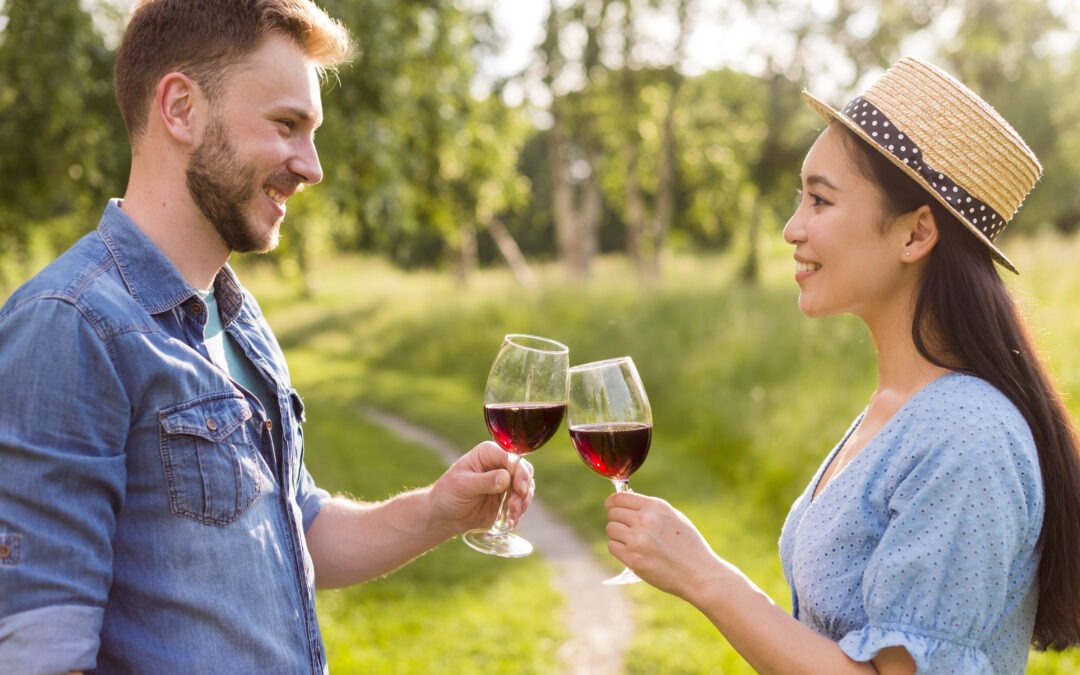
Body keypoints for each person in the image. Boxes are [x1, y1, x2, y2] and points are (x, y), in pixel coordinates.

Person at [0, 1, 534, 672]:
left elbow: (295, 524)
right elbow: (41, 652)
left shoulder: (237, 316)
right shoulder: (70, 325)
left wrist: (439, 512)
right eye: (287, 125)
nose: (311, 167)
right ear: (181, 109)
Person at [604, 57, 1080, 673]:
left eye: (820, 201)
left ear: (916, 234)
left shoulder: (966, 435)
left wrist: (706, 578)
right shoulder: (900, 407)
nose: (791, 229)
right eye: (800, 199)